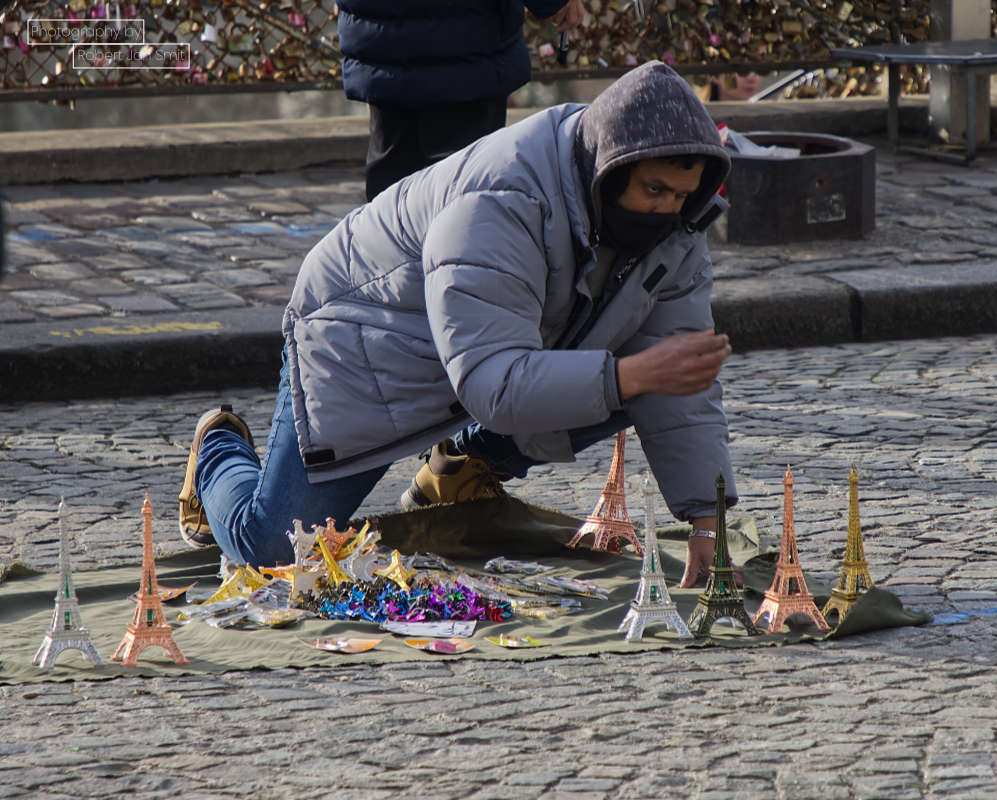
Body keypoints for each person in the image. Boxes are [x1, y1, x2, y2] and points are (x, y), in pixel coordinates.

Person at [178, 61, 739, 589]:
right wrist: (628, 376)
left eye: (682, 196)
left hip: (483, 346)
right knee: (274, 550)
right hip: (360, 331)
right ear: (608, 169)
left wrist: (704, 521)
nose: (668, 211)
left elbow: (682, 382)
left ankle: (454, 470)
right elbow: (494, 385)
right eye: (654, 191)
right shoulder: (501, 200)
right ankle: (218, 448)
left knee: (650, 375)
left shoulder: (676, 232)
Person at [338, 0, 585, 201]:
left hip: (384, 41)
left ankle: (391, 258)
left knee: (391, 196)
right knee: (464, 191)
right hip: (465, 41)